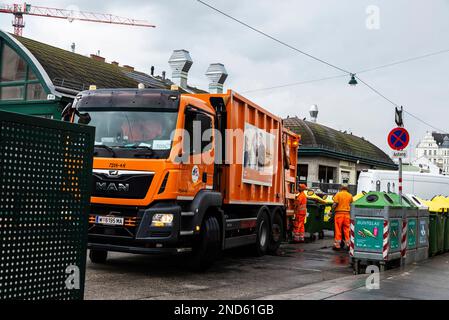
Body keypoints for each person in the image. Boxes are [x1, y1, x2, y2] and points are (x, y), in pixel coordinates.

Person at [331, 185, 354, 251]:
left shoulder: (338, 194)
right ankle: (348, 244)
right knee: (347, 230)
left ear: (341, 188)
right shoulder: (350, 195)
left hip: (339, 214)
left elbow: (335, 204)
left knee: (338, 229)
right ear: (347, 189)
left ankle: (337, 245)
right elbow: (351, 204)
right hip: (347, 215)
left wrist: (331, 210)